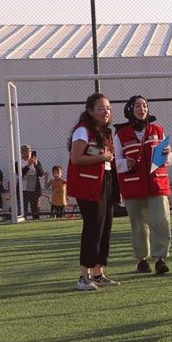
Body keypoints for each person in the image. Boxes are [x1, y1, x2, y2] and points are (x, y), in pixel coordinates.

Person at [113, 95, 172, 275]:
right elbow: (116, 160)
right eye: (138, 106)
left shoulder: (158, 130)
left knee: (161, 221)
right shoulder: (120, 134)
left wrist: (168, 154)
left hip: (157, 184)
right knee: (138, 225)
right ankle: (142, 260)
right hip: (133, 186)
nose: (142, 109)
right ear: (130, 109)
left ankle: (160, 259)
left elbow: (170, 159)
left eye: (145, 105)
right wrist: (126, 164)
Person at [66, 93, 119, 290]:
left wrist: (106, 158)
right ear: (90, 111)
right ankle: (83, 276)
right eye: (101, 108)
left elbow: (105, 157)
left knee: (105, 226)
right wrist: (103, 157)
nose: (106, 112)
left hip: (105, 182)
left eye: (108, 108)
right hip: (89, 185)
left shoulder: (104, 132)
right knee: (93, 227)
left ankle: (98, 273)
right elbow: (76, 158)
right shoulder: (83, 130)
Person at [20, 144, 45, 219]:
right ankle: (23, 220)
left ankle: (36, 220)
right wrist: (28, 165)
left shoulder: (36, 161)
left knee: (35, 208)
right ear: (21, 153)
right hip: (23, 189)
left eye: (29, 151)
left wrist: (36, 165)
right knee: (23, 208)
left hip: (34, 188)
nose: (28, 153)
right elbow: (20, 174)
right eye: (25, 151)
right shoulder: (19, 162)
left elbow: (41, 173)